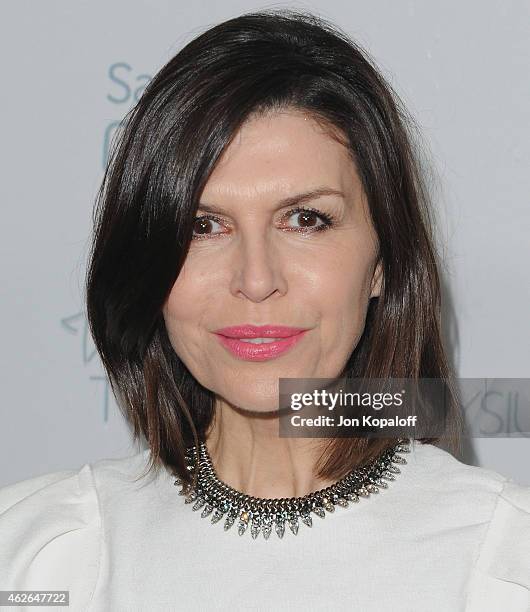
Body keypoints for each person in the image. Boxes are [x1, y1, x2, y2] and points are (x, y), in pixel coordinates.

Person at [1, 9, 529, 612]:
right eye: (203, 226)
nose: (255, 280)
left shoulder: (505, 564)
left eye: (306, 219)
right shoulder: (34, 558)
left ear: (382, 260)